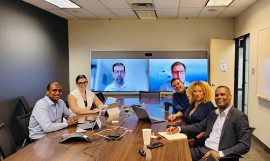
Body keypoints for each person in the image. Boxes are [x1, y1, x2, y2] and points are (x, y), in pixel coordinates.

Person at [167, 86, 251, 161]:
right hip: (203, 149)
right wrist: (179, 129)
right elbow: (199, 126)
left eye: (222, 94)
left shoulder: (239, 116)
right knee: (176, 155)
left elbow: (244, 145)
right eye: (217, 95)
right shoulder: (214, 113)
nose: (219, 97)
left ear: (230, 97)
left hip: (220, 155)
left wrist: (219, 153)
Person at [168, 81, 215, 147]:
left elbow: (209, 128)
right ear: (191, 92)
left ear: (205, 92)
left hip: (198, 140)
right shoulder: (191, 103)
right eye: (195, 91)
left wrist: (195, 139)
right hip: (186, 134)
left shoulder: (208, 105)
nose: (197, 94)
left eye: (200, 91)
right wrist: (175, 115)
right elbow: (183, 111)